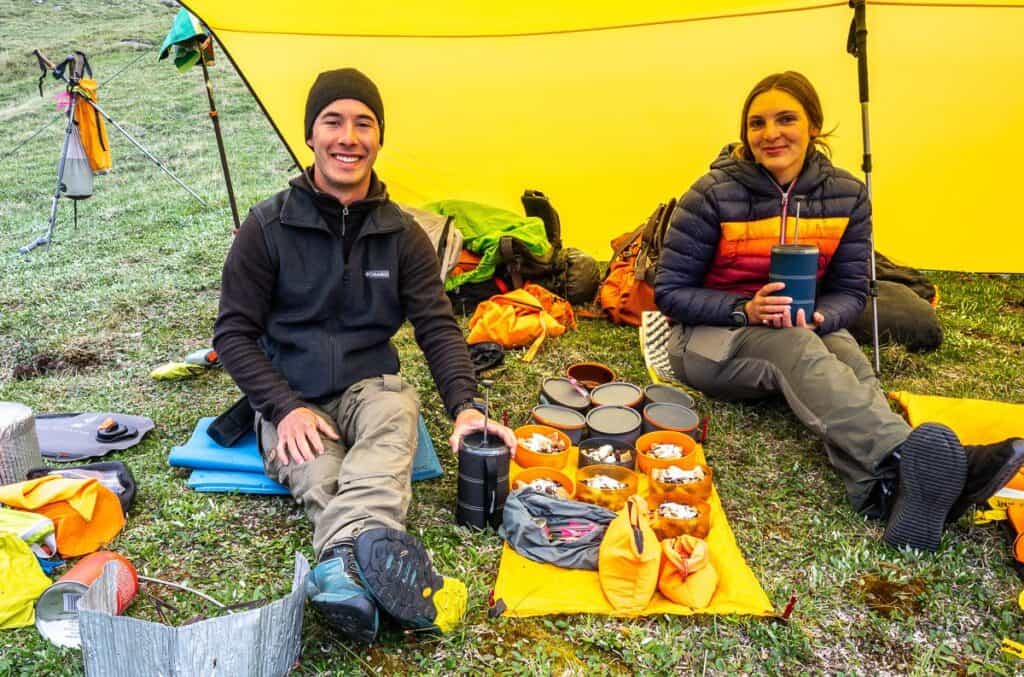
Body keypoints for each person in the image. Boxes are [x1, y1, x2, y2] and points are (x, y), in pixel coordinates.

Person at [654, 71, 1023, 553]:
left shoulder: (847, 195)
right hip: (707, 338)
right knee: (796, 346)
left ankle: (882, 490)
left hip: (801, 326)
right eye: (757, 123)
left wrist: (822, 316)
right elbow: (670, 292)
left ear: (814, 125)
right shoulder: (711, 194)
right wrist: (747, 307)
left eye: (786, 119)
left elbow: (851, 290)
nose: (770, 134)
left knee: (850, 361)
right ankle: (907, 455)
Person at [213, 67, 516, 644]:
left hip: (369, 387)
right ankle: (364, 571)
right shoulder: (266, 226)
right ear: (310, 136)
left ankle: (341, 570)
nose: (348, 137)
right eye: (333, 121)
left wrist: (466, 408)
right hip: (291, 391)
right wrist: (282, 408)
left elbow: (436, 326)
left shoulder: (403, 235)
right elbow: (232, 334)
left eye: (363, 123)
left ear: (379, 138)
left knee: (396, 412)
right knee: (319, 467)